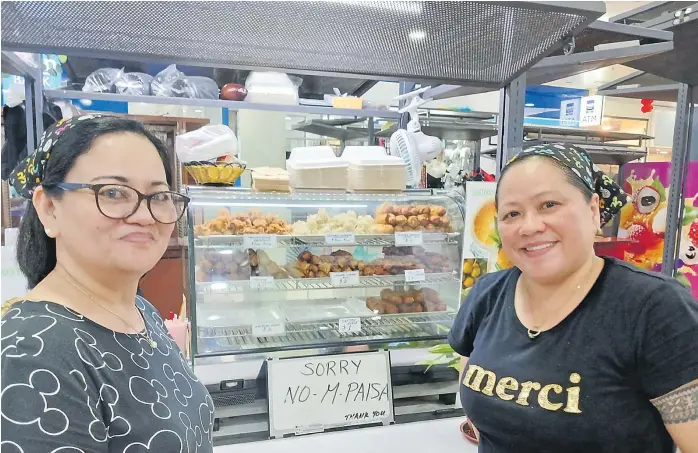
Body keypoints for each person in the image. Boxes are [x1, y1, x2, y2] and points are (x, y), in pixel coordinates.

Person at [449, 143, 698, 453]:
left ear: (593, 210)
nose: (530, 226)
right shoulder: (488, 295)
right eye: (512, 213)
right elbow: (473, 396)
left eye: (549, 205)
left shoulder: (653, 308)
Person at [0, 115, 215, 452]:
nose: (144, 216)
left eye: (158, 196)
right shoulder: (30, 352)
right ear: (49, 209)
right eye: (113, 192)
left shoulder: (140, 312)